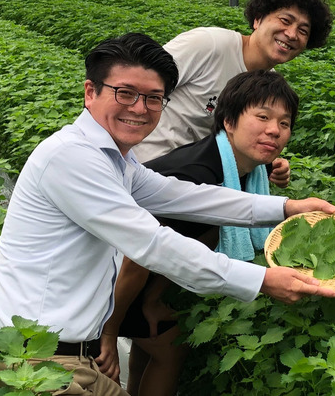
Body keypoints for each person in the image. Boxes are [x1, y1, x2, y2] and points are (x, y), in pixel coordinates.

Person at [0, 34, 335, 396]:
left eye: (154, 98)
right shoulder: (73, 158)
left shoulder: (115, 158)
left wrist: (286, 208)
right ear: (90, 91)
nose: (140, 108)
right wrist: (261, 280)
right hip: (35, 363)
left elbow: (183, 196)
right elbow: (152, 243)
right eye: (125, 93)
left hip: (71, 355)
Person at [99, 70, 299, 396]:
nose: (274, 130)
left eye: (284, 123)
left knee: (149, 343)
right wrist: (111, 329)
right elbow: (138, 253)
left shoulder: (241, 163)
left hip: (150, 275)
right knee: (171, 349)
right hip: (116, 274)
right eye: (262, 117)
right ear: (229, 122)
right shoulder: (198, 175)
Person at [131, 0, 333, 191]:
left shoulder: (266, 85)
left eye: (303, 30)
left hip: (199, 181)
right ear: (258, 19)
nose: (291, 34)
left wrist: (268, 163)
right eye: (285, 20)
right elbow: (138, 86)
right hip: (146, 167)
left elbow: (238, 140)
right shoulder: (209, 45)